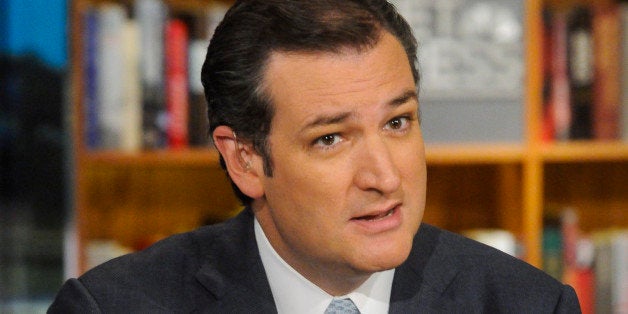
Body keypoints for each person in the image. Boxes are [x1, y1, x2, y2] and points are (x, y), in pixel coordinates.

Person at [49, 0, 581, 312]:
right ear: (245, 160)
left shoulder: (527, 306)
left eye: (398, 123)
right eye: (331, 138)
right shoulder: (114, 309)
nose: (385, 176)